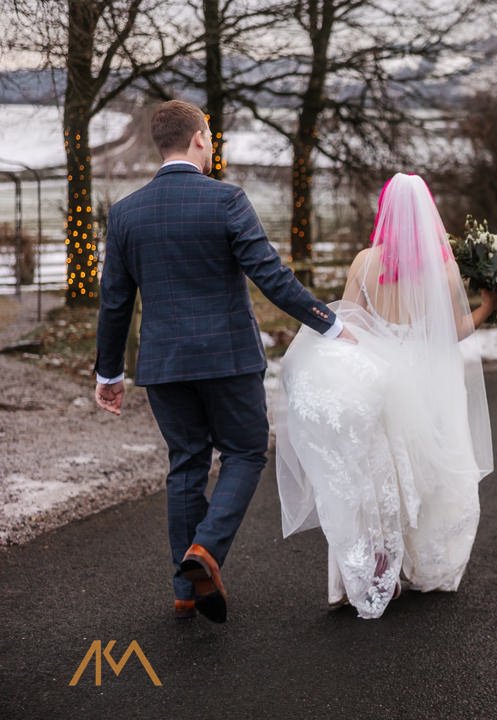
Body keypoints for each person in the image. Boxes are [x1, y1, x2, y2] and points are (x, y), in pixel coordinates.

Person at [93, 99, 355, 624]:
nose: (211, 147)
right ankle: (204, 552)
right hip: (229, 359)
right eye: (209, 138)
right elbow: (271, 276)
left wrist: (109, 372)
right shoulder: (227, 200)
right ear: (196, 140)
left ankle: (185, 590)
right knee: (245, 452)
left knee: (187, 462)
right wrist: (331, 322)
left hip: (164, 365)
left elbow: (115, 300)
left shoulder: (125, 214)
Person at [274, 173, 495, 619]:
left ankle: (371, 570)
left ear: (384, 214)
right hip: (426, 380)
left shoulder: (363, 263)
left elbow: (347, 326)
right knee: (425, 474)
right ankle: (423, 564)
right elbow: (450, 333)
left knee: (374, 478)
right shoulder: (445, 267)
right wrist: (489, 306)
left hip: (376, 380)